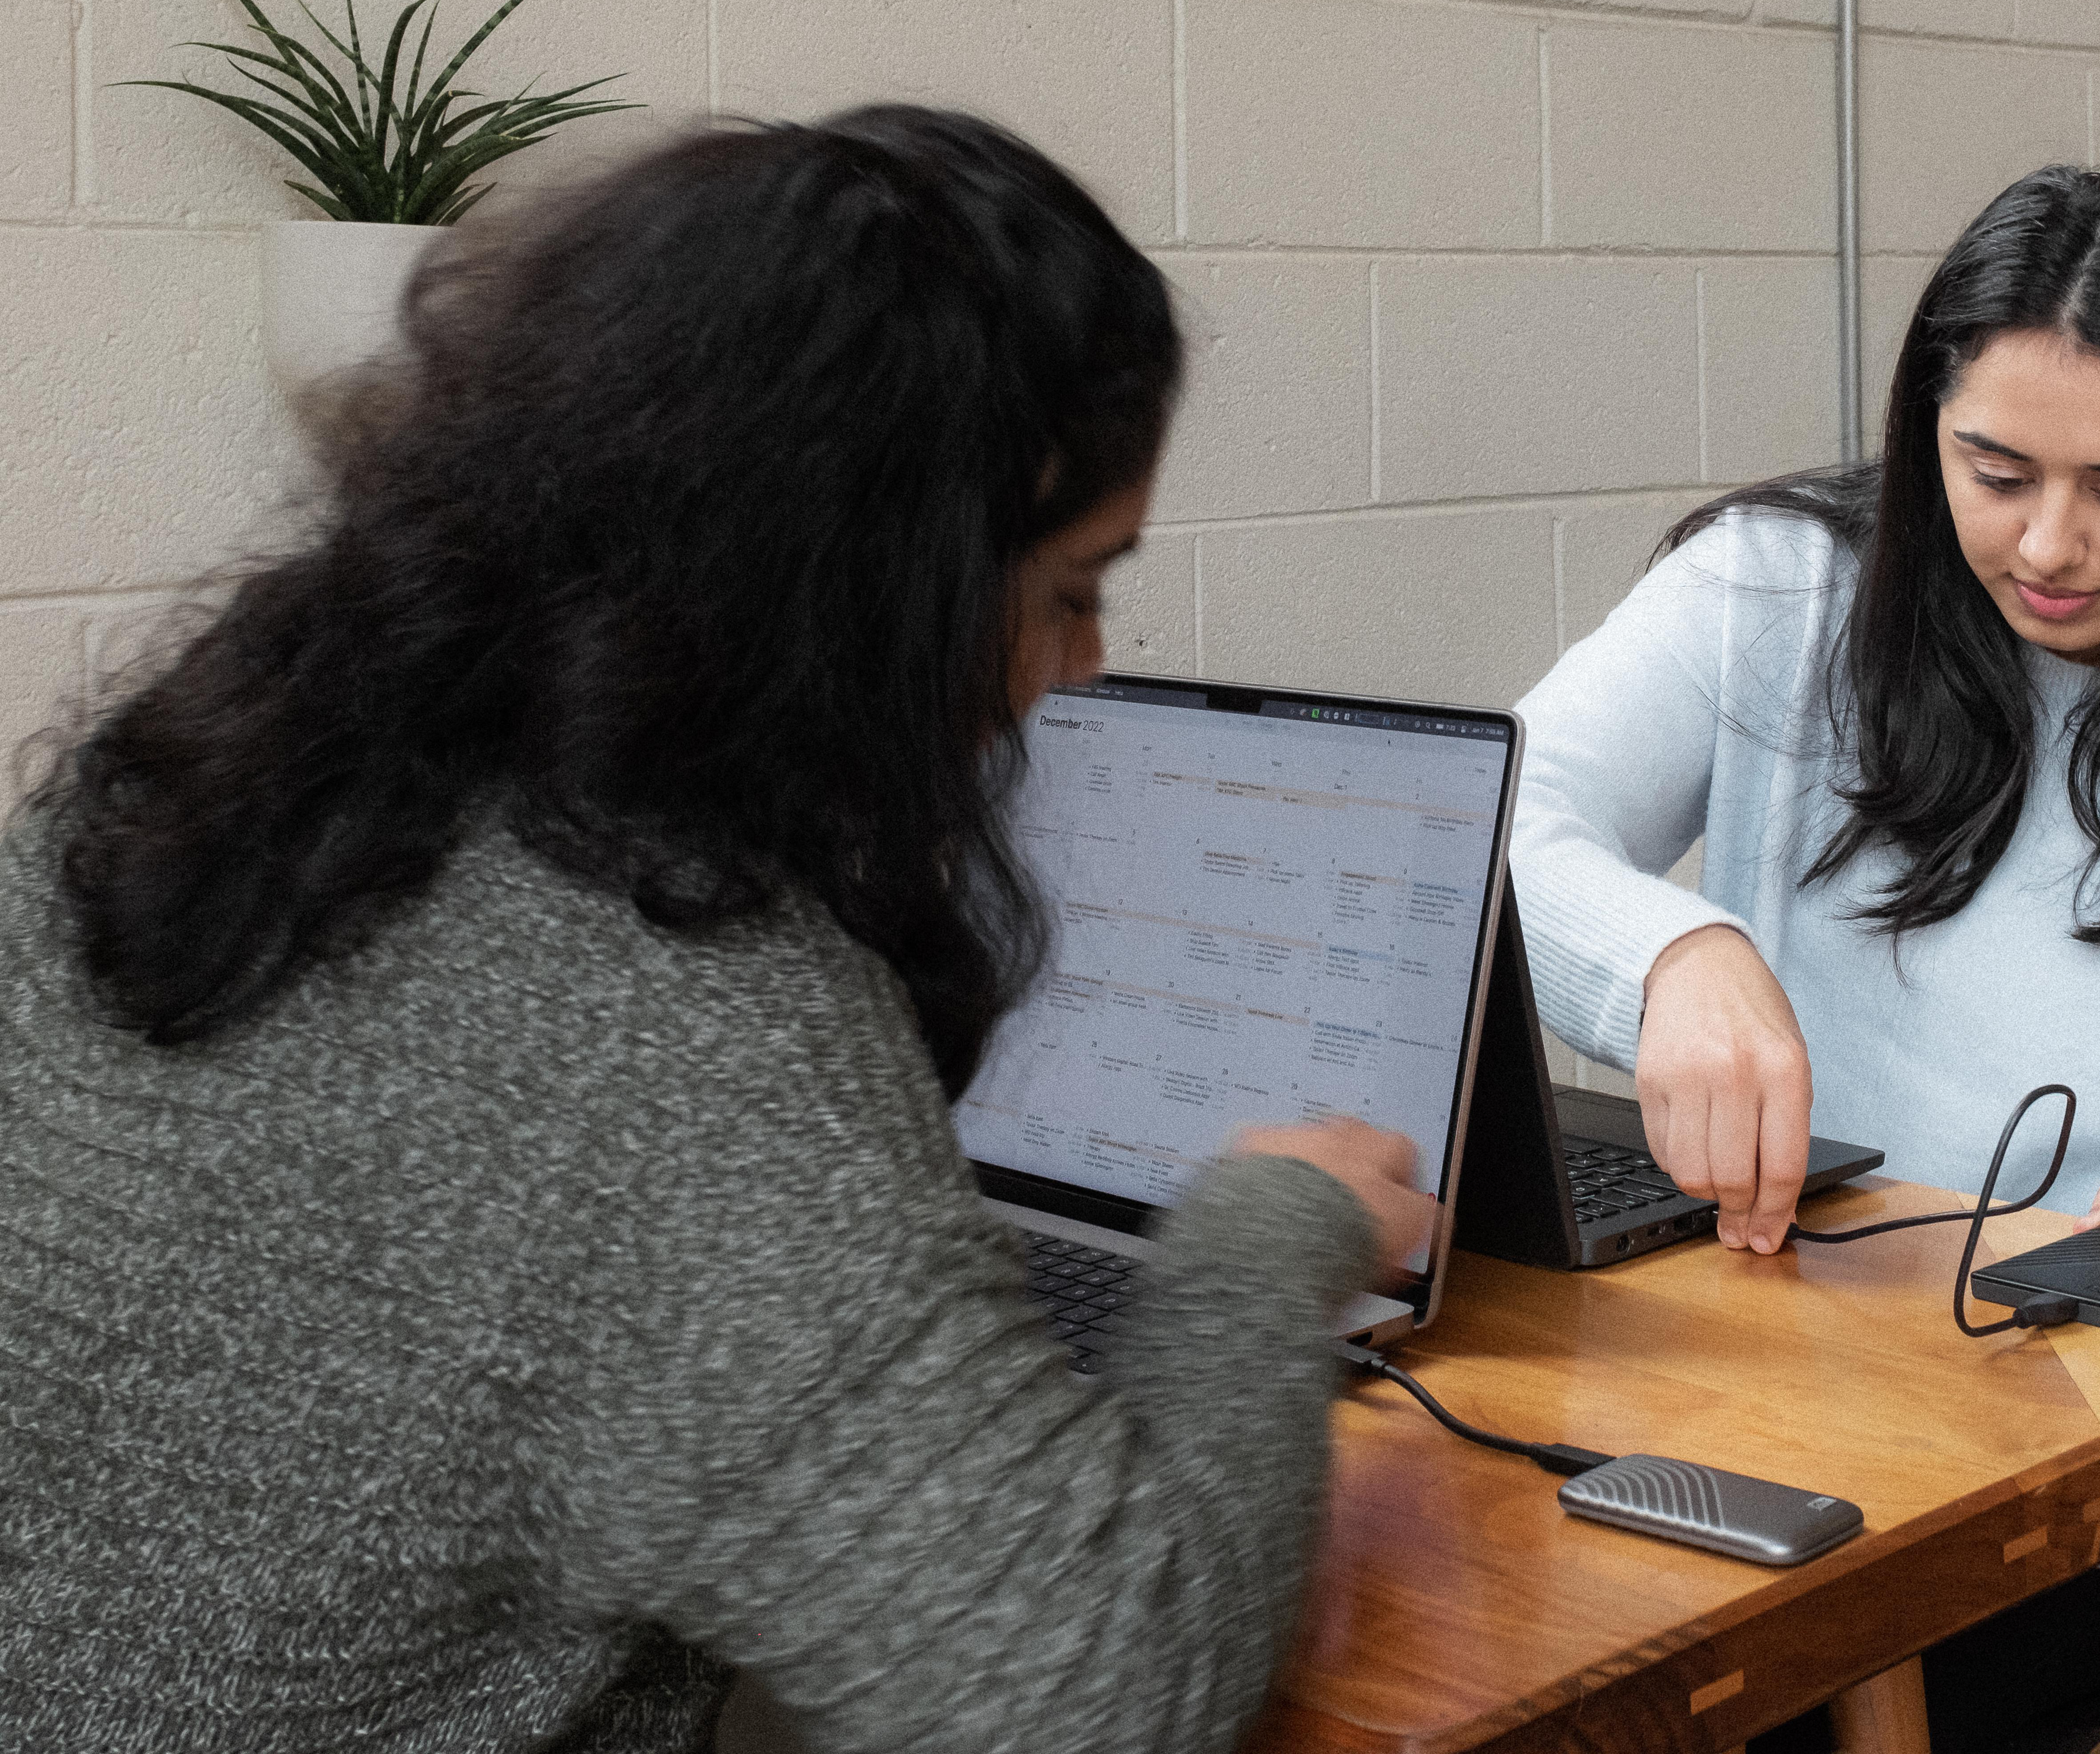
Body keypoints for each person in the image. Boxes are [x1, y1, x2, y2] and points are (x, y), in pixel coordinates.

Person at [0, 106, 1430, 1753]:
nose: (1085, 666)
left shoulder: (174, 790)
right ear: (887, 595)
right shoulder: (680, 1021)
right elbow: (1098, 1691)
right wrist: (1268, 1232)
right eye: (1071, 589)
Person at [1509, 167, 2100, 1645]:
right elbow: (1506, 821)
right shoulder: (1780, 596)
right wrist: (1672, 955)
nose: (2044, 548)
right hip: (1764, 1393)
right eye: (1995, 471)